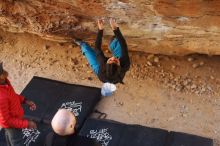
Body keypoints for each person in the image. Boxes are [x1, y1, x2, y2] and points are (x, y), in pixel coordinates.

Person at [74, 18, 130, 84]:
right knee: (119, 42)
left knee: (88, 51)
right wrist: (115, 29)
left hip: (100, 70)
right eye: (115, 61)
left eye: (110, 60)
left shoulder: (101, 63)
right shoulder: (125, 64)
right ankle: (114, 44)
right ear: (119, 66)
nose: (113, 58)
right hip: (115, 73)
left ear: (106, 63)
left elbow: (97, 48)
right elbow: (124, 45)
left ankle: (82, 44)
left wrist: (100, 29)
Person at [0, 62, 37, 146]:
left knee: (8, 136)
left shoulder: (4, 83)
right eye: (1, 72)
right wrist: (26, 124)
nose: (4, 73)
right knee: (17, 142)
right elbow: (6, 120)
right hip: (12, 125)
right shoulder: (1, 98)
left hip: (15, 118)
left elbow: (12, 95)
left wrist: (25, 100)